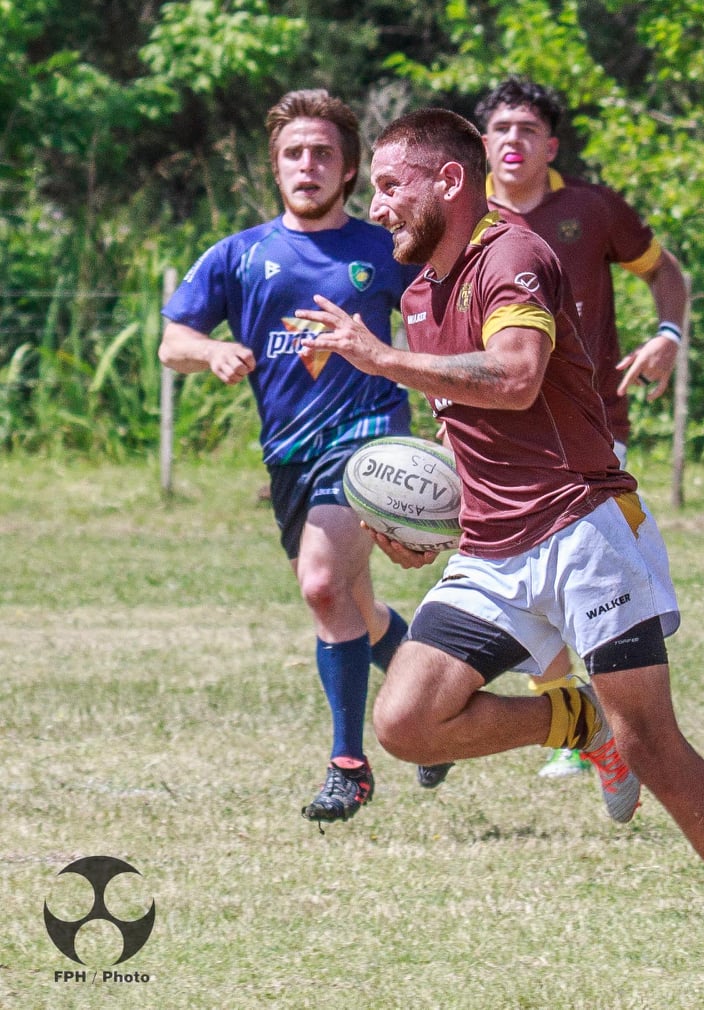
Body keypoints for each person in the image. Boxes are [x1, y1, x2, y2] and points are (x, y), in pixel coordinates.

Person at [295, 108, 704, 982]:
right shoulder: (419, 291)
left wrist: (377, 360)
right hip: (493, 545)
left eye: (389, 186)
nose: (374, 204)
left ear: (446, 181)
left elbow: (516, 375)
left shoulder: (514, 254)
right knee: (408, 724)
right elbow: (468, 423)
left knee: (653, 742)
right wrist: (433, 523)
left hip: (583, 526)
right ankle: (573, 720)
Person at [160, 89, 412, 824]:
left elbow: (436, 330)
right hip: (290, 459)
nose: (307, 164)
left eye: (322, 153)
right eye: (293, 153)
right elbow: (174, 340)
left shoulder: (383, 250)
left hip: (369, 440)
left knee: (322, 586)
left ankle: (349, 766)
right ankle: (432, 714)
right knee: (355, 606)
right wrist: (211, 352)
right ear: (274, 167)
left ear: (348, 168)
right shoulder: (240, 255)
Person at [476, 75, 691, 783]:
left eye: (528, 130)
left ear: (551, 145)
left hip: (593, 429)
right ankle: (578, 722)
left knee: (593, 587)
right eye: (501, 128)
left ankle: (618, 726)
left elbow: (667, 275)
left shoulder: (591, 210)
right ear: (482, 142)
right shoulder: (461, 217)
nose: (514, 141)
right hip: (497, 437)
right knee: (521, 581)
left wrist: (667, 336)